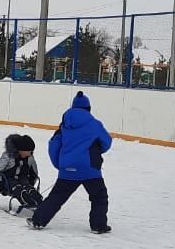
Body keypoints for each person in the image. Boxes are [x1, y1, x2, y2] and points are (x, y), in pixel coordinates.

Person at [28, 91, 113, 234]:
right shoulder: (95, 124)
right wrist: (95, 152)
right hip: (90, 168)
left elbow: (53, 145)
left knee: (56, 197)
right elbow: (106, 142)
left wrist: (60, 164)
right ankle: (98, 226)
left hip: (67, 168)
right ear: (88, 108)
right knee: (99, 196)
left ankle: (38, 220)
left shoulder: (64, 125)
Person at [0, 134, 42, 214]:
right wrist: (0, 186)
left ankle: (39, 201)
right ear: (20, 150)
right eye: (28, 151)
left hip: (23, 178)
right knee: (18, 188)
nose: (29, 153)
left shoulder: (30, 157)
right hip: (8, 180)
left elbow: (34, 172)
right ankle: (27, 201)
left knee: (29, 188)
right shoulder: (8, 156)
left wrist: (31, 182)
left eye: (31, 151)